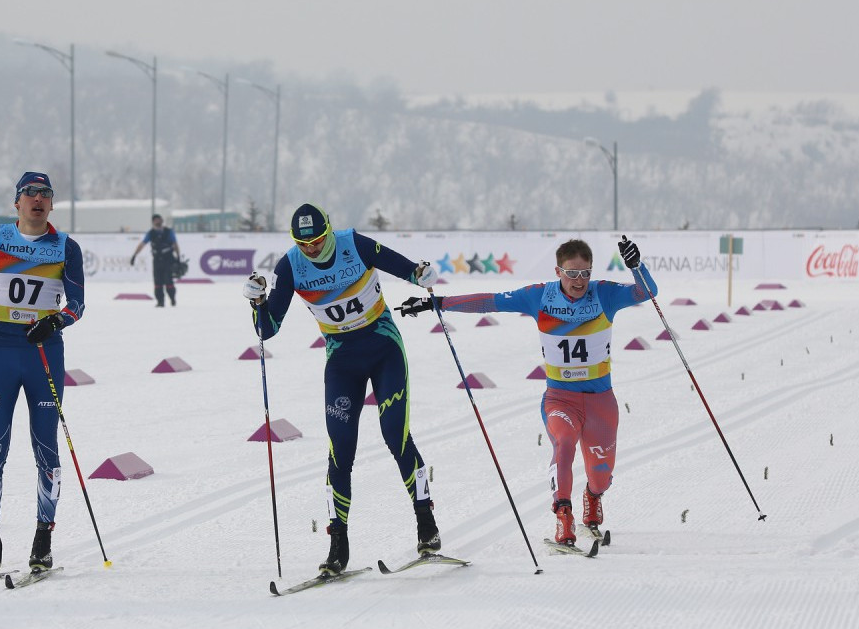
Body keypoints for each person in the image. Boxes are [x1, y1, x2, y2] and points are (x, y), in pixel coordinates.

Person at [396, 237, 656, 547]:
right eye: (571, 274)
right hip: (561, 399)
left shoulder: (605, 294)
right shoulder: (539, 297)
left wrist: (636, 266)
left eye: (585, 273)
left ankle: (593, 496)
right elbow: (489, 300)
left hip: (601, 402)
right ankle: (564, 518)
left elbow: (647, 292)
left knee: (601, 476)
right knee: (563, 444)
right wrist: (436, 303)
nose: (579, 281)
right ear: (558, 271)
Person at [241, 203, 443, 575]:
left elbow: (404, 267)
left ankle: (426, 523)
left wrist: (421, 274)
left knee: (395, 436)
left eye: (317, 240)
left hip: (384, 350)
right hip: (342, 361)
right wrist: (258, 302)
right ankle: (338, 545)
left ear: (328, 230)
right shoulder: (290, 265)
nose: (312, 249)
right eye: (303, 243)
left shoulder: (353, 244)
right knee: (340, 450)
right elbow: (268, 328)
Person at [0, 171, 86, 574]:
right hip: (0, 352)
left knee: (45, 446)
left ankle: (43, 538)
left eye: (45, 194)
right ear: (17, 202)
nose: (38, 199)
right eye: (30, 193)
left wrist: (56, 321)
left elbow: (77, 303)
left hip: (43, 354)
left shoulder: (65, 246)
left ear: (52, 204)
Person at [130, 213, 181, 307]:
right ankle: (160, 301)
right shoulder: (151, 233)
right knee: (158, 282)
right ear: (153, 222)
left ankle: (172, 299)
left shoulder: (168, 232)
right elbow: (142, 244)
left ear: (162, 220)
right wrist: (134, 255)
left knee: (168, 281)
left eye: (159, 219)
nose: (158, 221)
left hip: (168, 259)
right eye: (156, 220)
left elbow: (175, 244)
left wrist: (178, 257)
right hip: (157, 260)